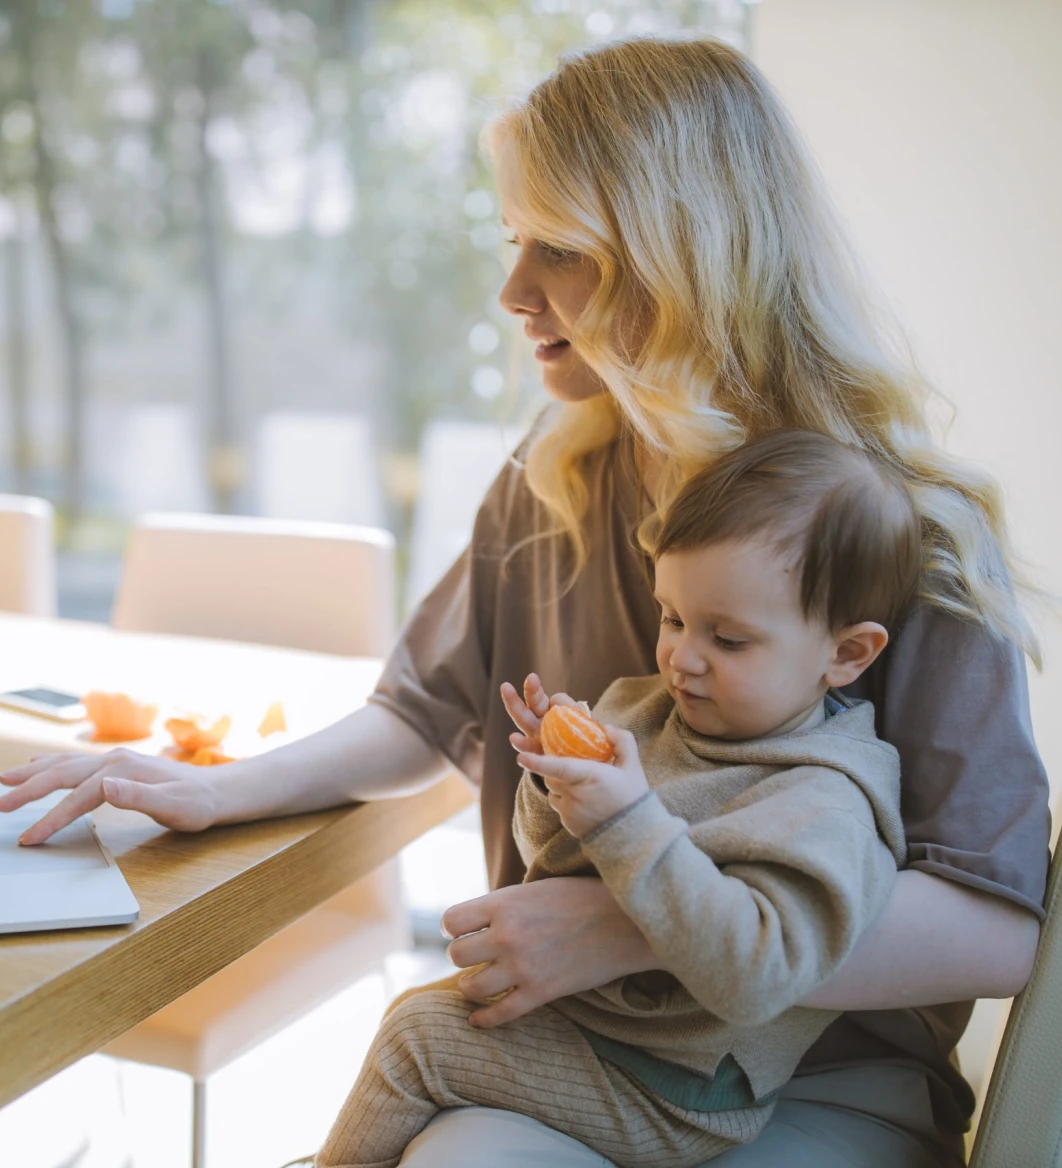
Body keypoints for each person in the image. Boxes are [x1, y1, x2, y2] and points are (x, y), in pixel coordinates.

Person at [0, 36, 1050, 1166]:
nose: (511, 292)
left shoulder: (903, 533)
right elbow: (422, 711)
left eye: (561, 249)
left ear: (681, 255)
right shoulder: (554, 475)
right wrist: (222, 787)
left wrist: (630, 925)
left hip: (817, 1081)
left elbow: (992, 928)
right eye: (513, 242)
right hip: (587, 1042)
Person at [315, 430, 917, 1168]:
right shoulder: (649, 709)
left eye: (728, 640)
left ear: (847, 654)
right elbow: (555, 861)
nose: (681, 659)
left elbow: (758, 975)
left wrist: (628, 821)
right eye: (672, 618)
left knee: (416, 1042)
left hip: (676, 1089)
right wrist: (555, 781)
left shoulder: (826, 798)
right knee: (422, 1016)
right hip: (597, 1029)